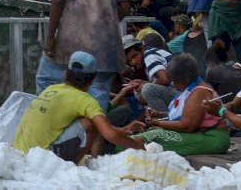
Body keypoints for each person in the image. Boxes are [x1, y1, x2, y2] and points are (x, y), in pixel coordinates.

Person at [14, 51, 145, 163]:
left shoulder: (51, 89)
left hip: (21, 154)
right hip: (43, 159)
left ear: (66, 74)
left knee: (91, 120)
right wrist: (136, 145)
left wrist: (123, 130)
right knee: (90, 122)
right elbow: (109, 133)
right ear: (93, 79)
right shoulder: (85, 101)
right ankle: (82, 164)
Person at [132, 54, 231, 156]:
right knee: (153, 136)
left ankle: (119, 144)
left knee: (156, 136)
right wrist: (158, 114)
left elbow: (186, 126)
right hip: (202, 134)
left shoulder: (199, 92)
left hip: (213, 138)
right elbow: (186, 115)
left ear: (184, 80)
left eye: (175, 81)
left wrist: (157, 123)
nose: (173, 84)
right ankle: (121, 142)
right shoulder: (191, 88)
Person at [120, 35, 176, 112]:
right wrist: (144, 83)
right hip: (179, 92)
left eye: (134, 56)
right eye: (129, 61)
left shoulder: (149, 55)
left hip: (182, 92)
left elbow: (164, 79)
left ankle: (164, 119)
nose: (134, 62)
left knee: (147, 89)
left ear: (141, 49)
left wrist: (145, 85)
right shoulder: (149, 57)